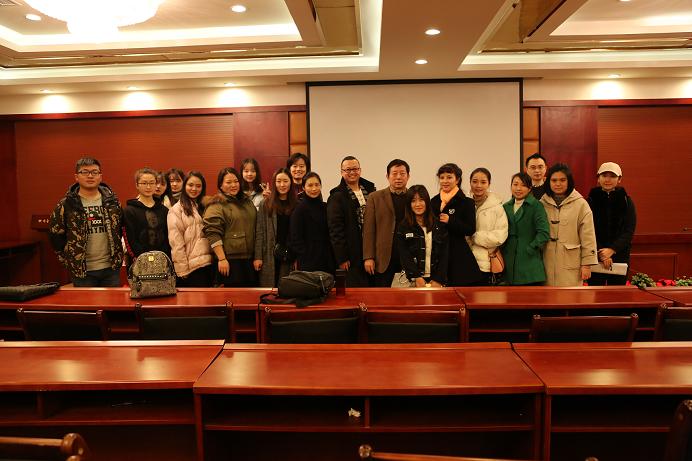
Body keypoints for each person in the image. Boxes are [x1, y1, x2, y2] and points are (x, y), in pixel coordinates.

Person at [48, 157, 124, 287]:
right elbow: (55, 235)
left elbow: (120, 230)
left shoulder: (113, 202)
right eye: (84, 172)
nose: (90, 176)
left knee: (113, 301)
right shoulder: (66, 204)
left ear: (100, 176)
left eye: (94, 172)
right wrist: (69, 261)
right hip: (82, 271)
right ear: (76, 177)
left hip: (110, 269)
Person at [541, 163, 598, 286]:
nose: (558, 184)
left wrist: (587, 265)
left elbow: (588, 236)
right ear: (548, 182)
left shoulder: (581, 204)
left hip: (571, 264)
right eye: (554, 180)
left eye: (562, 180)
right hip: (545, 262)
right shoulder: (541, 203)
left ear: (569, 181)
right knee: (546, 296)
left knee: (570, 296)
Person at [430, 163, 484, 286]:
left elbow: (470, 229)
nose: (445, 181)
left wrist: (451, 221)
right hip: (437, 253)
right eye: (442, 177)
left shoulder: (466, 202)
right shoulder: (434, 201)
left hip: (458, 254)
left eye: (449, 177)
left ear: (457, 180)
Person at [327, 155, 376, 287]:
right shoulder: (336, 196)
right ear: (341, 172)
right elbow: (335, 229)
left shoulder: (371, 190)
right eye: (348, 170)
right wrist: (342, 258)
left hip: (371, 251)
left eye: (355, 169)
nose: (352, 172)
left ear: (360, 170)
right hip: (351, 254)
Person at [203, 167, 257, 287]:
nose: (233, 185)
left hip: (249, 260)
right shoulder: (216, 205)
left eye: (236, 181)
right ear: (221, 186)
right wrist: (222, 259)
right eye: (228, 182)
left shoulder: (247, 202)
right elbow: (212, 233)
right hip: (229, 261)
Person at [587, 162, 637, 285]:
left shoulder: (627, 201)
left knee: (616, 293)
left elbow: (629, 231)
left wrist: (612, 249)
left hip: (619, 255)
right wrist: (602, 253)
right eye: (604, 175)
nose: (607, 180)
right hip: (595, 255)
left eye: (612, 176)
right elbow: (587, 230)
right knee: (595, 293)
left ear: (619, 179)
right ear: (598, 178)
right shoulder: (589, 201)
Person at [363, 159, 410, 287]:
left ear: (408, 176)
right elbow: (368, 230)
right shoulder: (375, 197)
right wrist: (368, 257)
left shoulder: (414, 198)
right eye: (394, 173)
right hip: (383, 258)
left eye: (402, 173)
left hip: (408, 256)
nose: (398, 177)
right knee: (382, 295)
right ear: (387, 176)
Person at [502, 172, 550, 285]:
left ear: (529, 188)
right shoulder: (505, 207)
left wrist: (531, 248)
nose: (518, 188)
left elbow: (544, 233)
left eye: (523, 185)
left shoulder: (536, 206)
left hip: (530, 263)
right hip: (509, 263)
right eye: (515, 184)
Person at [167, 171, 213, 287]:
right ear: (184, 185)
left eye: (198, 186)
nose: (194, 189)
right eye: (190, 185)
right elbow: (176, 242)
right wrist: (182, 270)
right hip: (192, 268)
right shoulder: (176, 210)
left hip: (210, 264)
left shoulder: (206, 206)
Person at [396, 185, 448, 287]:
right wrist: (416, 277)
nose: (418, 204)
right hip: (414, 280)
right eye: (413, 201)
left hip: (436, 280)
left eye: (421, 200)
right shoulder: (403, 227)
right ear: (409, 204)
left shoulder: (439, 225)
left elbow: (444, 255)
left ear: (427, 202)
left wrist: (438, 279)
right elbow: (404, 255)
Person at [254, 168, 297, 287]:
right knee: (269, 289)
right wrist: (258, 257)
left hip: (289, 253)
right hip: (269, 253)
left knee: (287, 288)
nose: (282, 185)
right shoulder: (265, 204)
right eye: (279, 181)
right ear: (274, 183)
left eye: (285, 181)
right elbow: (260, 231)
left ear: (291, 182)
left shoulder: (297, 204)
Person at [468, 168, 508, 285]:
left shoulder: (497, 207)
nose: (478, 185)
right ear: (470, 183)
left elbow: (500, 236)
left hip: (485, 264)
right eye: (475, 181)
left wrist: (474, 236)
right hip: (464, 261)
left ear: (489, 184)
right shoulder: (464, 203)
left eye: (483, 182)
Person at [289, 172, 335, 273]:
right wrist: (306, 255)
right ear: (303, 188)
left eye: (317, 185)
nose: (314, 189)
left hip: (327, 261)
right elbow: (295, 239)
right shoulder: (299, 210)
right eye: (310, 185)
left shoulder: (326, 207)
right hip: (308, 263)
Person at [123, 168, 171, 260]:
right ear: (137, 185)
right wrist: (143, 259)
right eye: (144, 183)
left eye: (152, 183)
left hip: (161, 260)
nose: (148, 187)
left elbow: (167, 238)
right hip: (139, 260)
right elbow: (130, 240)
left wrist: (163, 257)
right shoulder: (129, 211)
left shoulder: (164, 210)